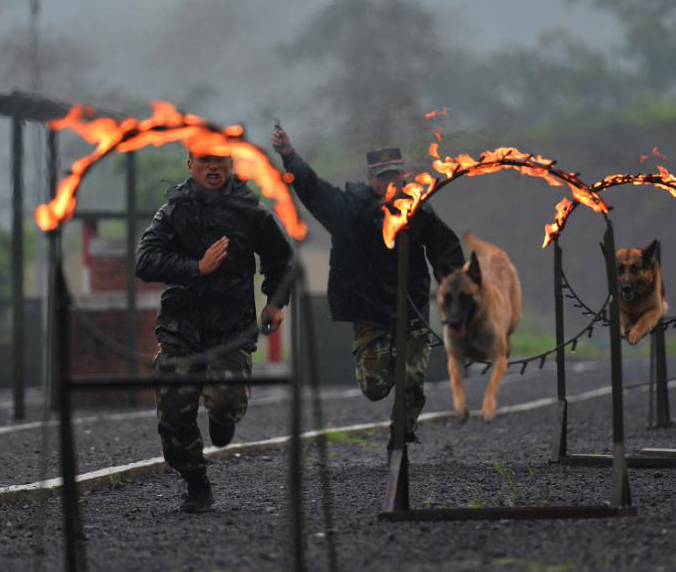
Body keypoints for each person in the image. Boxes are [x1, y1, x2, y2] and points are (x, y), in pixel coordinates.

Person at [271, 129, 464, 447]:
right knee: (375, 386)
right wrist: (289, 155)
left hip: (411, 308)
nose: (389, 183)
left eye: (394, 176)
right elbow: (312, 188)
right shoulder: (348, 209)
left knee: (412, 378)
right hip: (369, 311)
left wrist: (455, 292)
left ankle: (401, 434)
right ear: (370, 178)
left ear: (403, 176)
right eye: (382, 176)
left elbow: (446, 250)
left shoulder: (417, 210)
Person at [136, 150, 293, 513]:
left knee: (225, 400)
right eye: (204, 161)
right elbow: (144, 262)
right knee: (174, 414)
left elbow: (281, 259)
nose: (212, 167)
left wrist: (275, 302)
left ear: (231, 165)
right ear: (190, 165)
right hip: (181, 326)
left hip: (231, 327)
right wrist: (196, 266)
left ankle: (224, 420)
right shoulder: (174, 211)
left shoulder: (251, 211)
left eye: (220, 161)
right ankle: (196, 483)